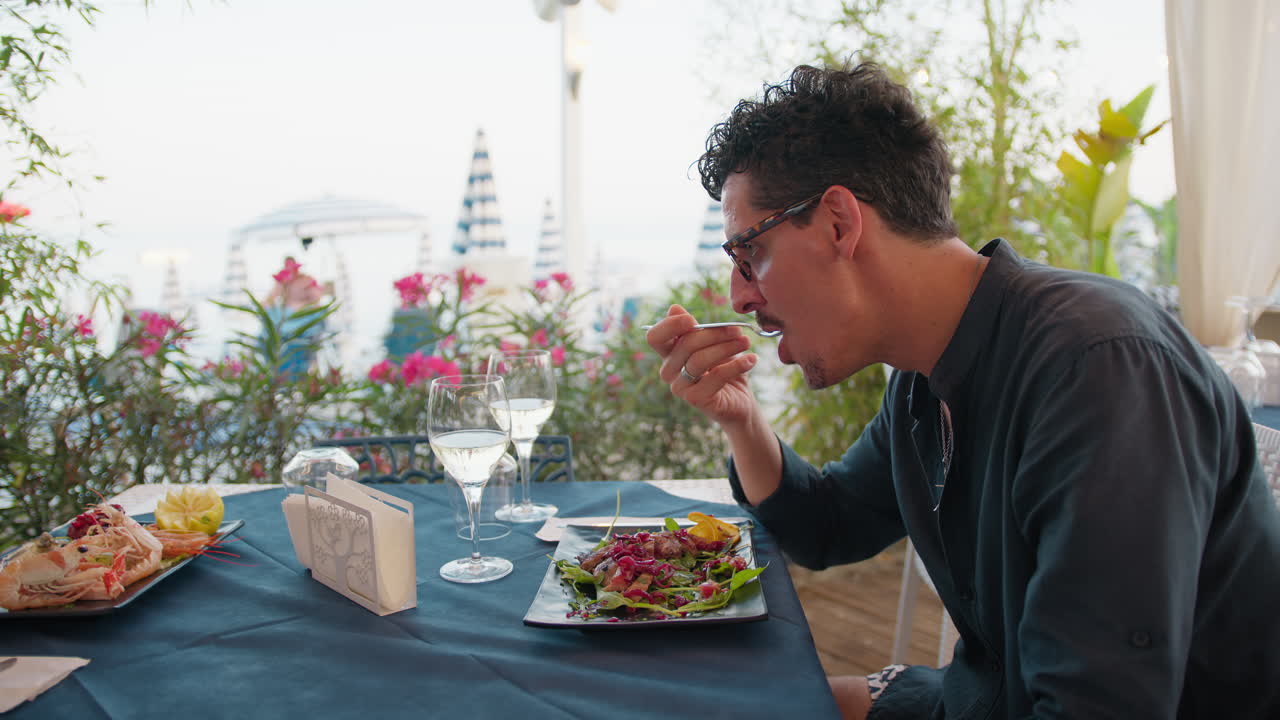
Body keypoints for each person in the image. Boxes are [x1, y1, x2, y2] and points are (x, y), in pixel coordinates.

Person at [645, 63, 1280, 719]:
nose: (739, 296)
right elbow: (830, 525)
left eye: (749, 255)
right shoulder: (925, 374)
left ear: (838, 222)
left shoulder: (1098, 370)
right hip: (979, 701)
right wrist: (741, 419)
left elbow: (1097, 703)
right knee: (717, 705)